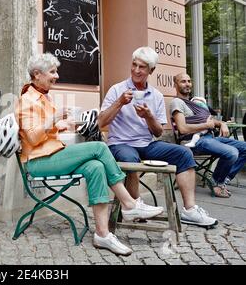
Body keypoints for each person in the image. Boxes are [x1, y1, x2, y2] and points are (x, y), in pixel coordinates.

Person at [15, 53, 164, 256]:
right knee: (99, 147)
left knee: (96, 167)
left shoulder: (43, 96)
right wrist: (54, 118)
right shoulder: (27, 99)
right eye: (52, 72)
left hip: (51, 154)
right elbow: (32, 138)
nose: (56, 76)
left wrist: (60, 125)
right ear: (37, 74)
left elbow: (42, 131)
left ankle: (102, 235)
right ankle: (129, 204)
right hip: (38, 162)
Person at [98, 46, 218, 228]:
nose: (136, 70)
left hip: (147, 144)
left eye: (142, 67)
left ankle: (190, 210)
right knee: (130, 158)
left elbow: (158, 132)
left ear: (151, 70)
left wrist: (148, 116)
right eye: (134, 65)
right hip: (120, 144)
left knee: (183, 154)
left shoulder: (156, 96)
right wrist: (119, 103)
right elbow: (101, 122)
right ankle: (135, 206)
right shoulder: (117, 90)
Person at [171, 73, 246, 198]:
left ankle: (222, 179)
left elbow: (208, 120)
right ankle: (217, 182)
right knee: (232, 152)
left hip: (209, 138)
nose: (187, 84)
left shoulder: (196, 102)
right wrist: (207, 125)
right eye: (183, 81)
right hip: (193, 142)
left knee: (244, 148)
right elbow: (183, 129)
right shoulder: (177, 103)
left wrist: (221, 123)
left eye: (189, 81)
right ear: (175, 84)